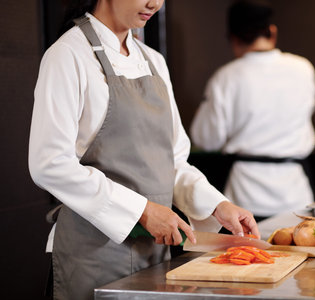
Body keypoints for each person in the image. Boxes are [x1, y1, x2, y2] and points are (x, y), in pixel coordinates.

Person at [29, 1, 259, 299]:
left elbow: (173, 160)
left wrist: (217, 205)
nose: (154, 3)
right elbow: (50, 164)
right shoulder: (68, 55)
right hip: (93, 254)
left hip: (154, 252)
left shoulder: (153, 60)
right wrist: (142, 210)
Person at [190, 0, 315, 221]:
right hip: (295, 194)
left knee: (247, 255)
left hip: (245, 196)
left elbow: (206, 139)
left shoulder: (226, 76)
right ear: (272, 31)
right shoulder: (303, 68)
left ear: (233, 39)